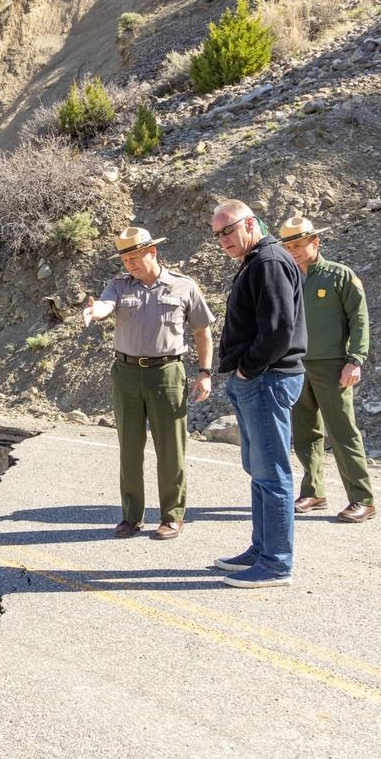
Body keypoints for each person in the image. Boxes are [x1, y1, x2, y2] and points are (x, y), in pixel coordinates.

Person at [80, 227, 215, 540]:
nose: (130, 264)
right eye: (125, 259)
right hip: (126, 374)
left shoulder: (184, 286)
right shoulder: (118, 286)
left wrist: (205, 372)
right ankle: (130, 517)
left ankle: (172, 515)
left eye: (135, 257)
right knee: (129, 448)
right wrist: (93, 311)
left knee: (171, 448)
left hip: (167, 373)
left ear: (152, 252)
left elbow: (202, 331)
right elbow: (104, 306)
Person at [210, 200, 306, 588]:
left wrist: (249, 368)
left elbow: (279, 330)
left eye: (228, 230)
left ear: (250, 224)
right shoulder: (258, 262)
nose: (223, 240)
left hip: (266, 379)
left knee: (273, 473)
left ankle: (276, 563)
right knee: (259, 471)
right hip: (257, 379)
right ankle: (261, 549)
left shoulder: (268, 262)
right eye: (218, 235)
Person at [278, 216, 376, 524]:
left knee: (343, 431)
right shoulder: (287, 278)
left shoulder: (339, 276)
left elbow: (359, 319)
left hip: (333, 366)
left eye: (298, 245)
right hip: (295, 364)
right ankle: (313, 491)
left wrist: (355, 359)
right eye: (288, 246)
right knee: (305, 432)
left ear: (314, 243)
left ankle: (362, 499)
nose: (292, 251)